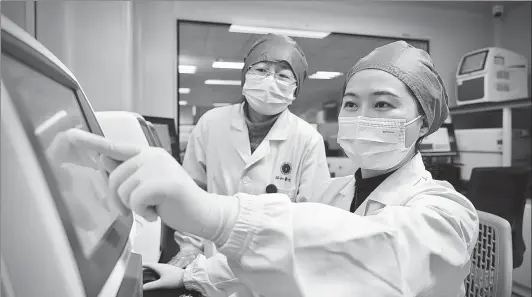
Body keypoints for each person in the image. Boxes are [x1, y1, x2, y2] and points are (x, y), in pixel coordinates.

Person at [69, 41, 479, 297]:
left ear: (423, 122)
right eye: (351, 103)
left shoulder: (448, 213)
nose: (360, 114)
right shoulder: (333, 194)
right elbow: (296, 253)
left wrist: (218, 216)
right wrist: (192, 276)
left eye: (383, 103)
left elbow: (367, 251)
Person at [169, 33, 330, 296]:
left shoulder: (308, 139)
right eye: (262, 70)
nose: (270, 80)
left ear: (295, 88)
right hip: (209, 267)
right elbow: (191, 191)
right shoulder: (212, 124)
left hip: (274, 274)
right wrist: (188, 248)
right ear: (246, 74)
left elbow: (311, 217)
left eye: (282, 75)